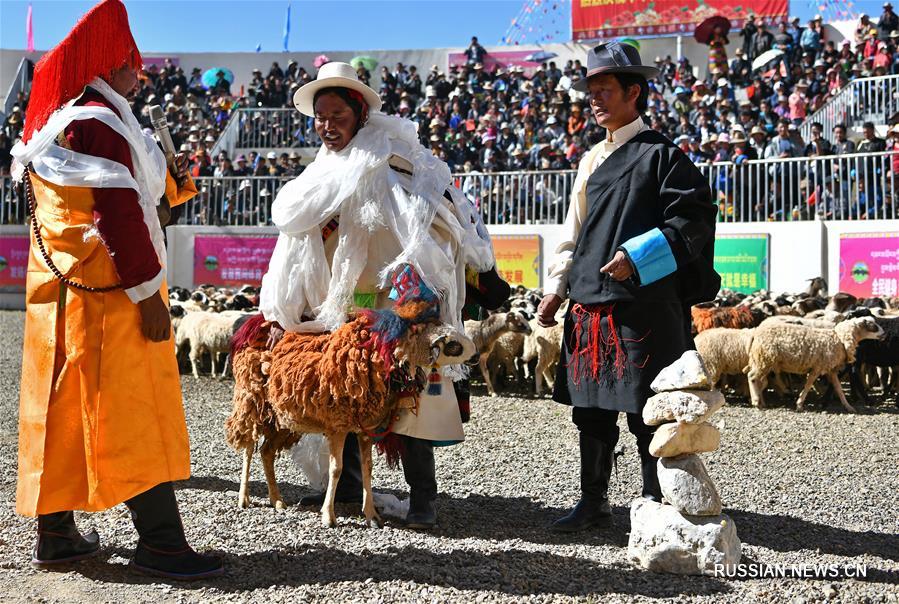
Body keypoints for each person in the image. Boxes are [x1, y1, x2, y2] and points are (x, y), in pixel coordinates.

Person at [10, 0, 221, 579]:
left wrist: (173, 192)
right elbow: (116, 214)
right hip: (109, 300)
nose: (141, 72)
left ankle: (55, 537)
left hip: (62, 299)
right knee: (133, 413)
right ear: (110, 63)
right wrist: (149, 292)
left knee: (60, 413)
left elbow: (107, 201)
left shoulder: (68, 118)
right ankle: (163, 545)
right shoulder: (99, 122)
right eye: (132, 61)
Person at [258, 62, 508, 530]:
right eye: (320, 117)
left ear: (358, 115)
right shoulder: (317, 174)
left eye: (337, 116)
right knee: (345, 391)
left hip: (397, 303)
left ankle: (423, 499)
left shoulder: (394, 161)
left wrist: (438, 278)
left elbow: (443, 211)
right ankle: (349, 485)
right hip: (339, 305)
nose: (328, 126)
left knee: (411, 399)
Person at [537, 42, 719, 533]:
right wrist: (556, 286)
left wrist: (637, 258)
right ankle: (593, 502)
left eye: (604, 90)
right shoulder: (590, 159)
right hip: (590, 306)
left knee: (646, 412)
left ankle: (654, 503)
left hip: (644, 307)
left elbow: (694, 219)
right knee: (591, 410)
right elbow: (573, 231)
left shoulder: (663, 157)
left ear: (634, 92)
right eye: (590, 91)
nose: (594, 100)